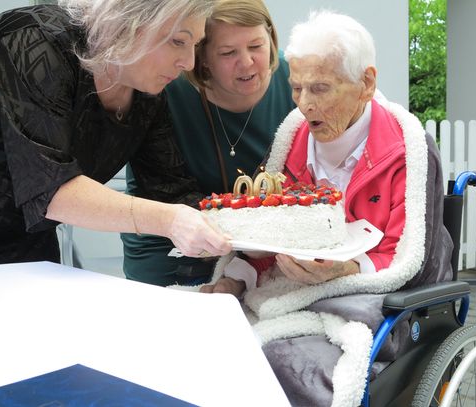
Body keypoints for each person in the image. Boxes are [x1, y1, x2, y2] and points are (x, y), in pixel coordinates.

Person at [194, 11, 453, 406]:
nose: (304, 104)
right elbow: (272, 232)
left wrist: (345, 270)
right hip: (292, 295)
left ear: (366, 83)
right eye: (296, 88)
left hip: (377, 305)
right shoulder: (292, 141)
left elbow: (410, 258)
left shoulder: (408, 149)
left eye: (320, 88)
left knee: (285, 363)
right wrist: (235, 279)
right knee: (208, 344)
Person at [0, 0, 231, 265]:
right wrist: (168, 220)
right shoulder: (32, 37)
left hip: (27, 246)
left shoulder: (146, 94)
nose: (189, 63)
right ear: (127, 23)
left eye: (195, 45)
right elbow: (50, 190)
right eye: (178, 41)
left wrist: (251, 230)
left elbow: (170, 190)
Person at [121, 0, 295, 286]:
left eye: (256, 46)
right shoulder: (164, 89)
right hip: (170, 247)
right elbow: (164, 193)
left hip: (269, 250)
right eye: (228, 53)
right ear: (200, 58)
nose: (247, 62)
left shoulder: (297, 81)